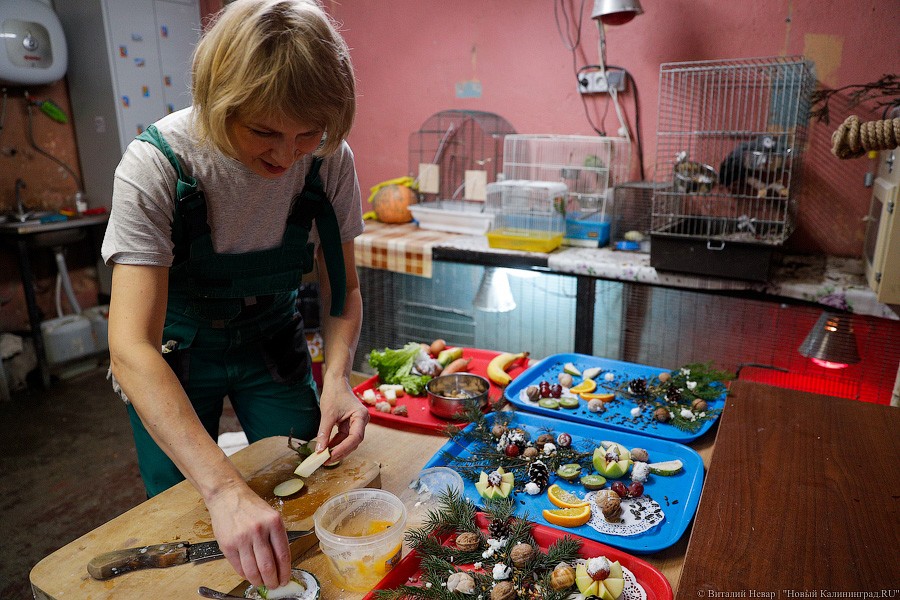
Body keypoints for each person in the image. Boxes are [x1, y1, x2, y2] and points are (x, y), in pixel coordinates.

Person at [102, 0, 369, 590]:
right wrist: (222, 488)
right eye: (263, 132)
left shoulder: (328, 163)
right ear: (219, 98)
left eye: (308, 134)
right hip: (173, 350)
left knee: (313, 475)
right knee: (185, 512)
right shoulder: (157, 167)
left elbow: (342, 284)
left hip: (271, 338)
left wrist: (337, 378)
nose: (284, 155)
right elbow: (130, 349)